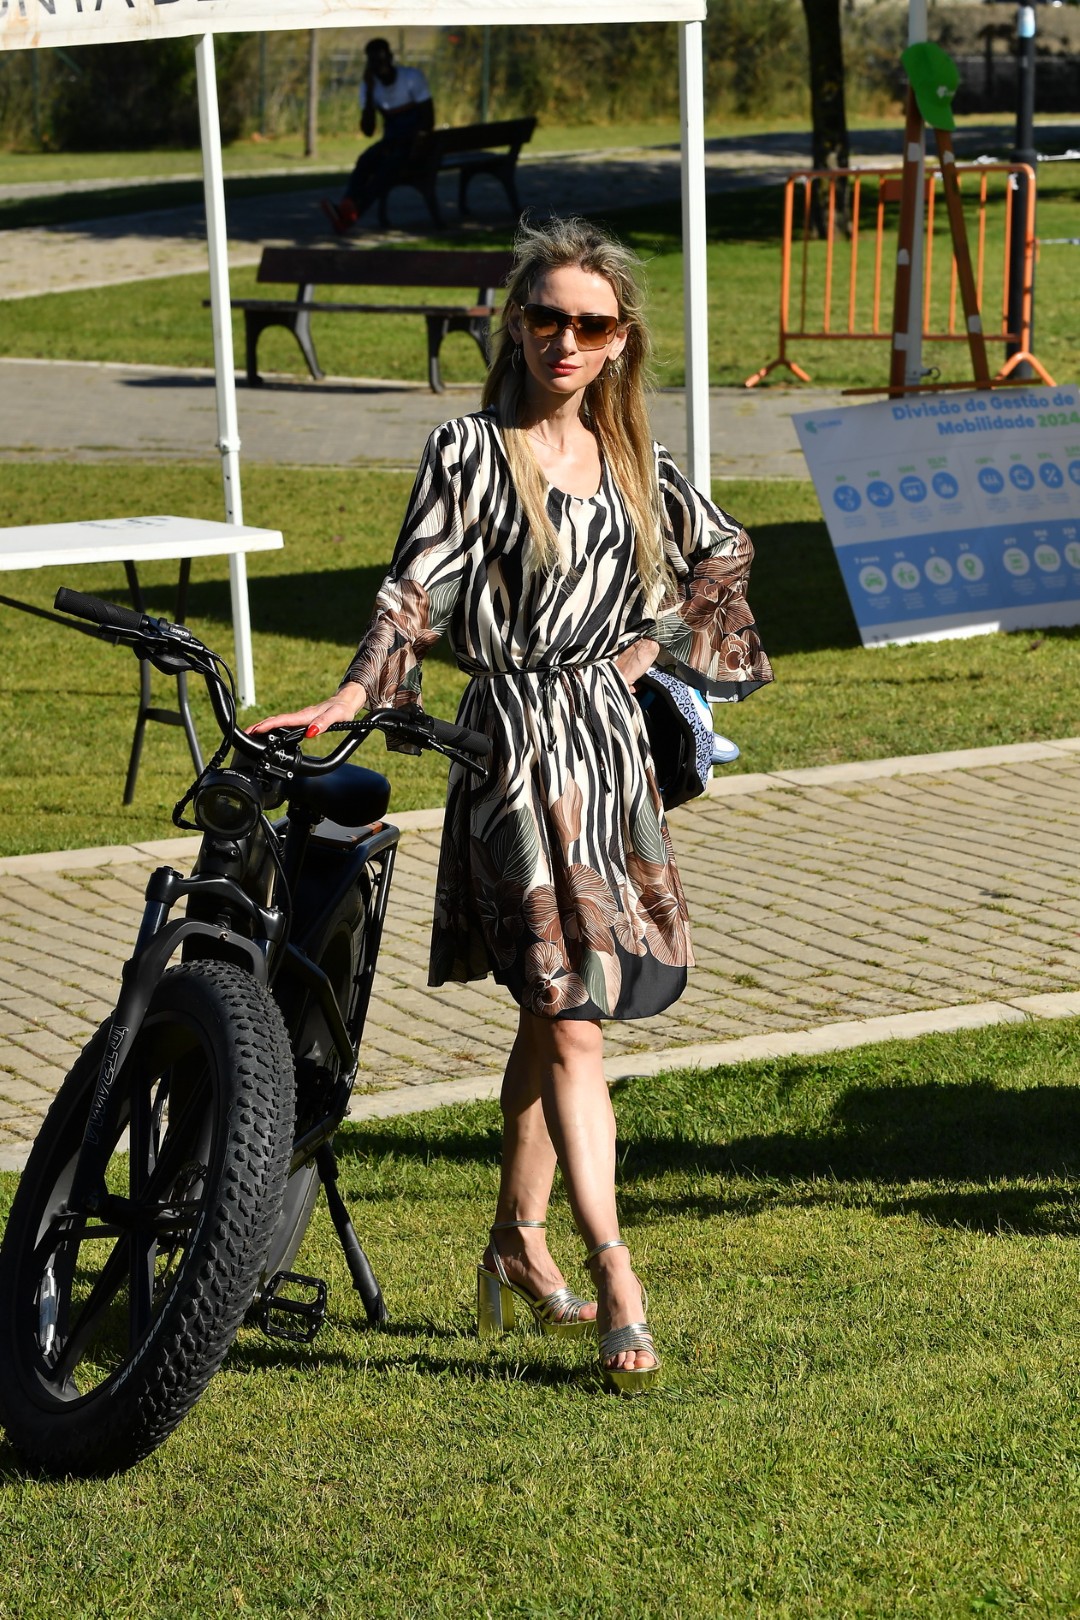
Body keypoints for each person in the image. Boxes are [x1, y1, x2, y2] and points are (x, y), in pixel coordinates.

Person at [252, 216, 773, 1394]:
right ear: (517, 325)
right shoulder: (472, 452)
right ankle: (618, 1282)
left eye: (591, 323)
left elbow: (725, 553)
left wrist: (651, 649)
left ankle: (514, 1243)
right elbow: (414, 589)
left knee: (554, 1013)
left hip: (604, 756)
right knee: (574, 1016)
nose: (566, 341)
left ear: (620, 339)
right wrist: (352, 693)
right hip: (510, 758)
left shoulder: (635, 463)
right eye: (547, 318)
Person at [321, 38, 435, 236]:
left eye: (382, 60)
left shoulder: (411, 78)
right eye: (373, 62)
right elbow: (368, 130)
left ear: (390, 58)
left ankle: (353, 212)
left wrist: (405, 143)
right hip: (390, 144)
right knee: (365, 160)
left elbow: (428, 120)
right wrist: (370, 94)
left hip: (415, 147)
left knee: (386, 169)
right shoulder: (369, 87)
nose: (378, 66)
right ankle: (348, 203)